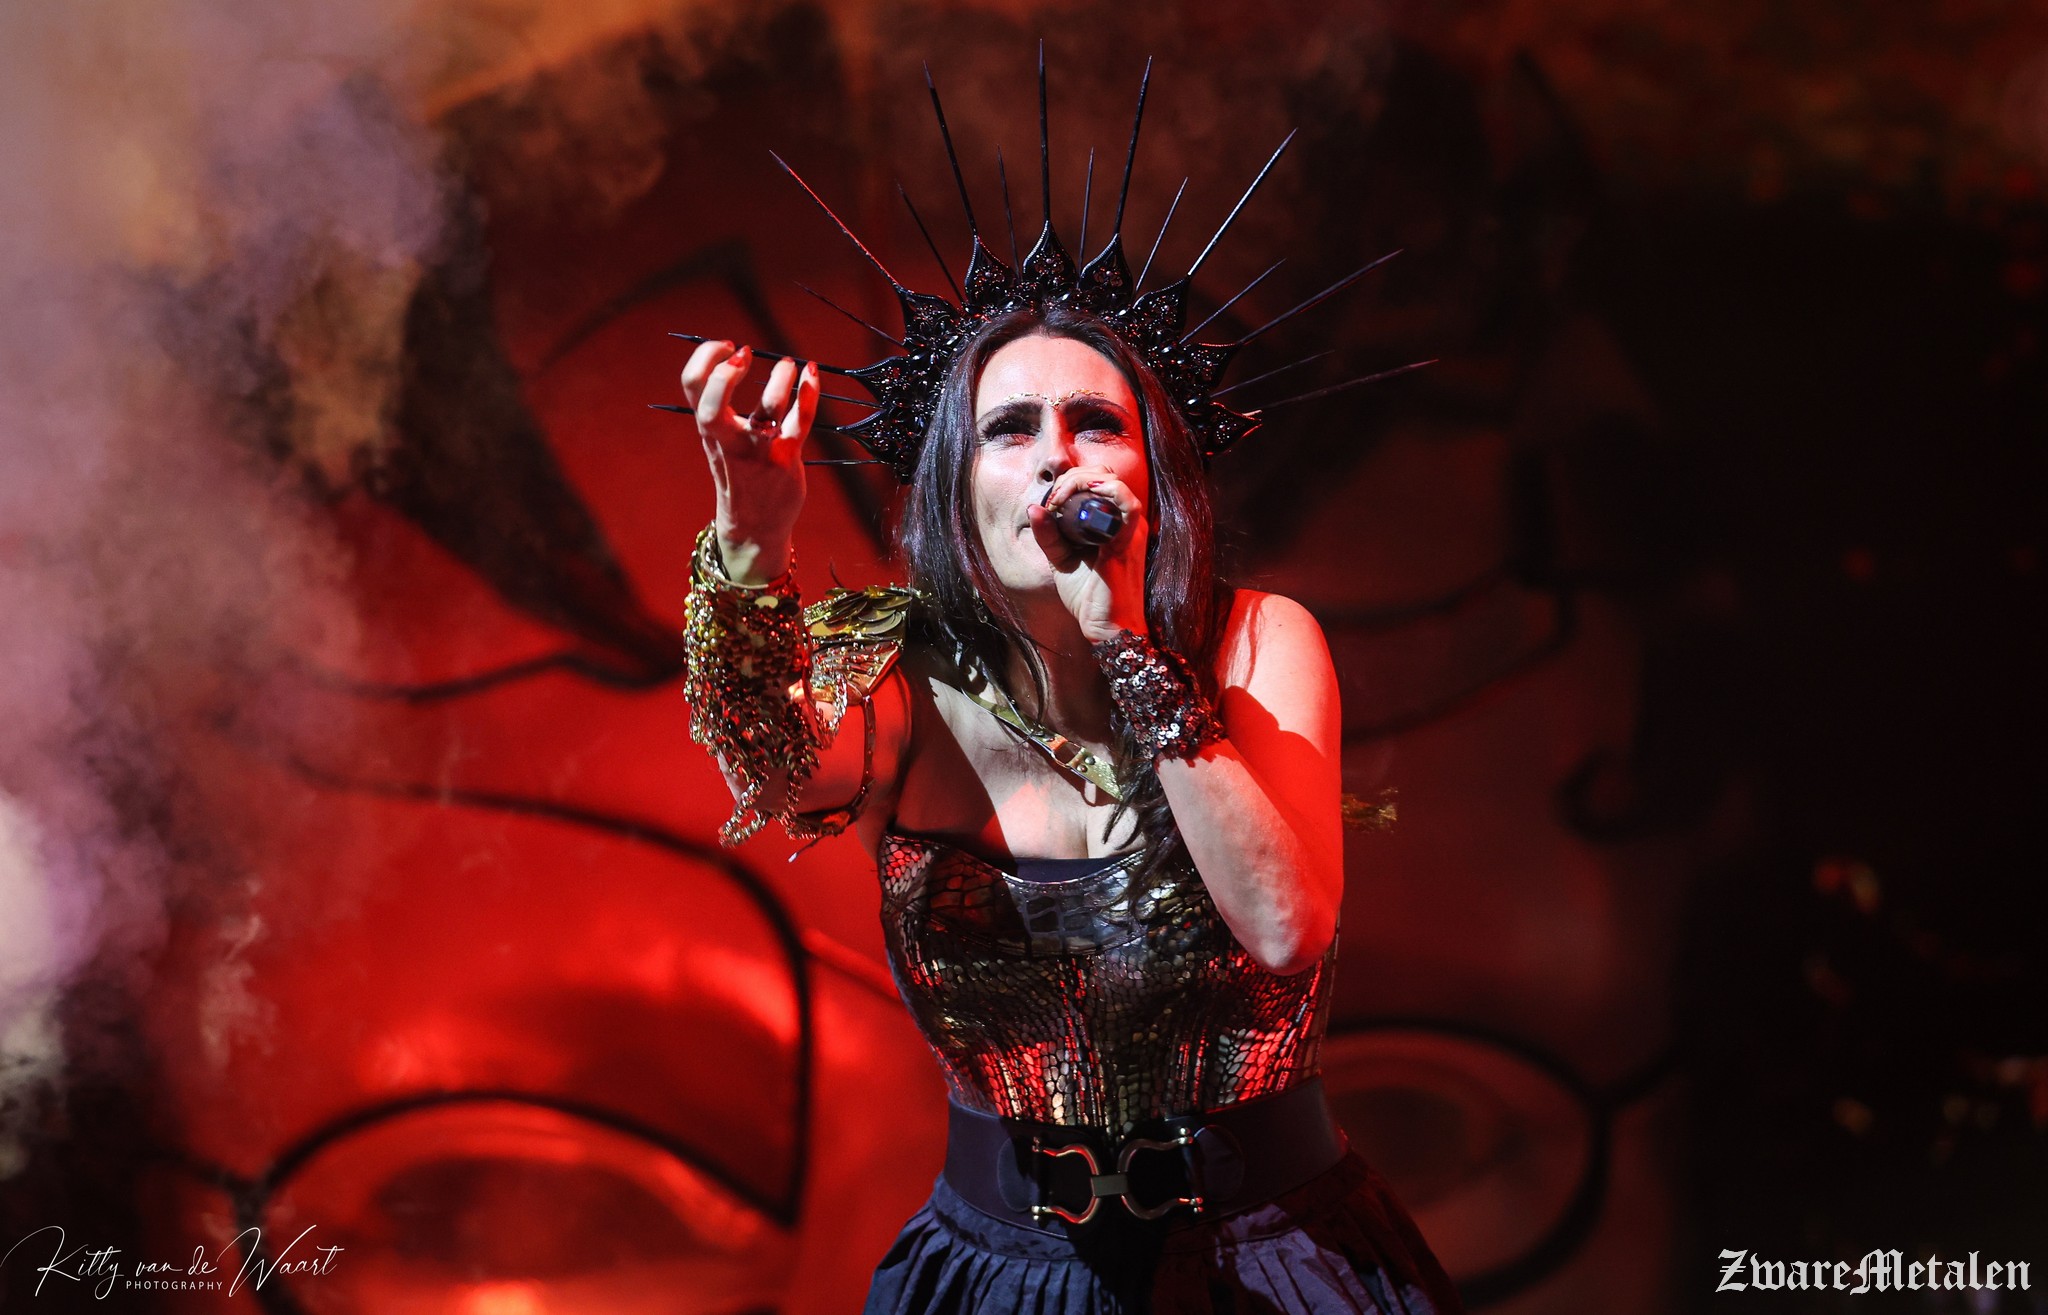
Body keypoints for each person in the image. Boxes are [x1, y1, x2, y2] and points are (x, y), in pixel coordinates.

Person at [675, 278, 1466, 1310]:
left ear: (1153, 476)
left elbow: (1286, 927)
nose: (1056, 454)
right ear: (959, 486)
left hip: (1270, 1259)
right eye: (1009, 428)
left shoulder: (1259, 642)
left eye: (1096, 422)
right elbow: (773, 766)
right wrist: (749, 539)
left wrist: (1125, 645)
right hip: (999, 1273)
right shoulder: (895, 671)